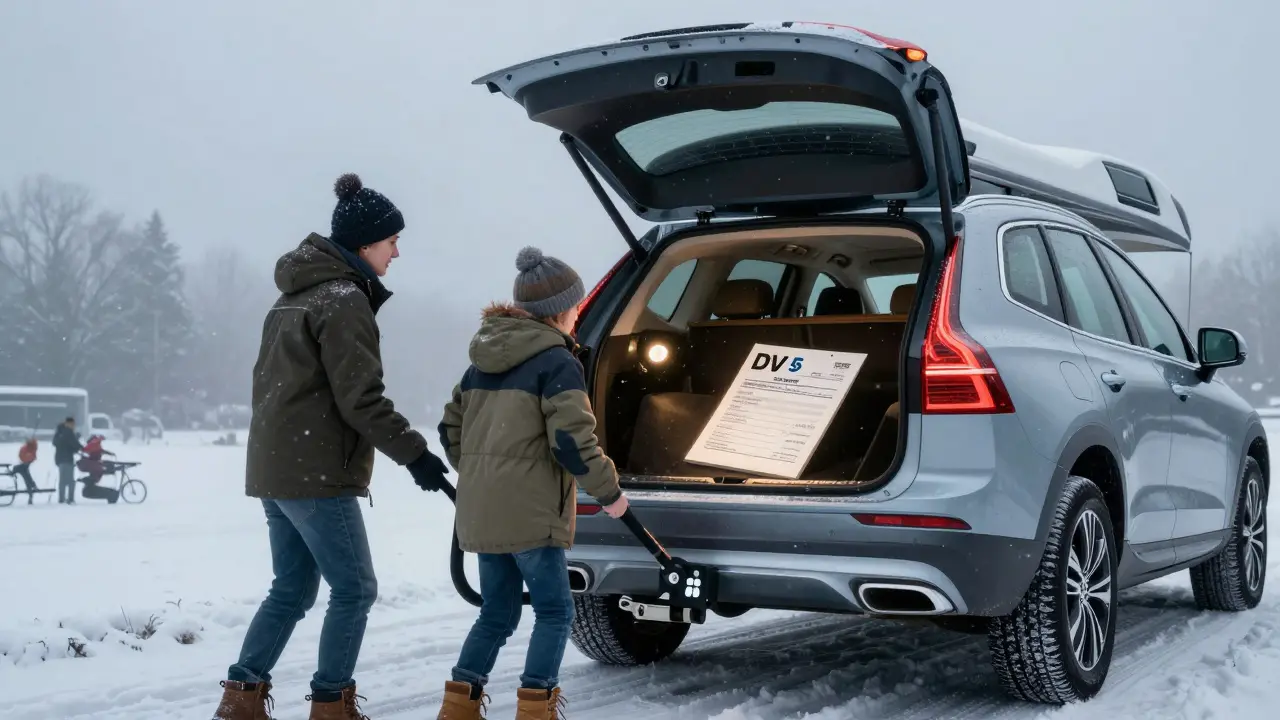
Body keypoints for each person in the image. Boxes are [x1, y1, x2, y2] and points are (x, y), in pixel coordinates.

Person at [213, 173, 451, 720]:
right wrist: (415, 454)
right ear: (365, 243)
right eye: (392, 240)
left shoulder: (291, 297)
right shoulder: (344, 299)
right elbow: (361, 399)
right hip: (316, 473)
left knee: (292, 589)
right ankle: (331, 704)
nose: (397, 251)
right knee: (355, 589)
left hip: (278, 468)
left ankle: (241, 699)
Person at [435, 247, 629, 720]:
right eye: (577, 305)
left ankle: (457, 709)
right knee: (554, 612)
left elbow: (448, 430)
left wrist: (486, 476)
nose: (579, 312)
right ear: (561, 310)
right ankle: (535, 710)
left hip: (483, 511)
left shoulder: (480, 360)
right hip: (531, 513)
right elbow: (571, 442)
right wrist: (610, 493)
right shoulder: (557, 363)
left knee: (496, 613)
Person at [52, 417, 82, 504]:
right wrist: (82, 447)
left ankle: (61, 498)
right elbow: (75, 445)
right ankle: (70, 498)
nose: (73, 426)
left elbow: (55, 443)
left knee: (62, 480)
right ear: (68, 424)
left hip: (59, 458)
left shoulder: (60, 431)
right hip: (67, 459)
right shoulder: (68, 432)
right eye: (73, 424)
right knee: (70, 481)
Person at [13, 435, 39, 505]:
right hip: (24, 462)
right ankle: (32, 486)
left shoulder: (32, 446)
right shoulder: (25, 447)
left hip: (27, 462)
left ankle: (32, 486)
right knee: (25, 475)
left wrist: (27, 460)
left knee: (21, 471)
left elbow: (33, 450)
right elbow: (21, 454)